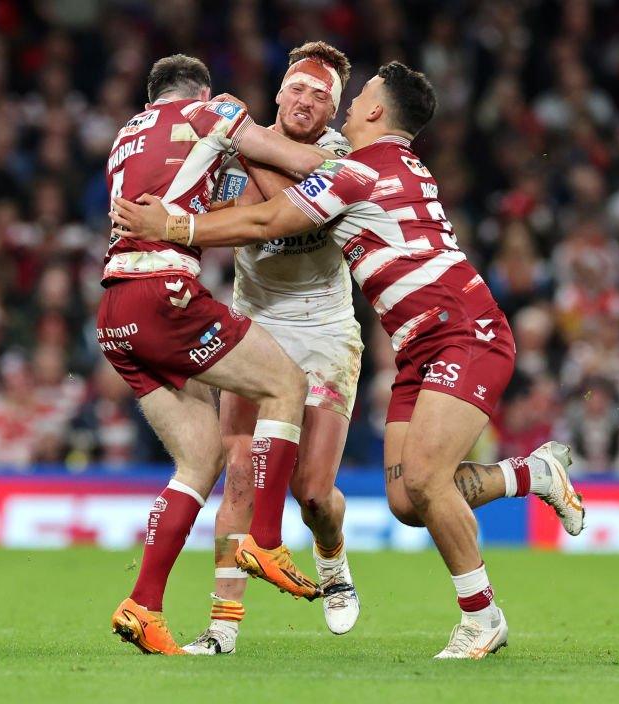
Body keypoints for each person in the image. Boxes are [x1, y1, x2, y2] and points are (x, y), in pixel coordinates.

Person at [111, 61, 586, 659]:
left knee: (354, 487)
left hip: (448, 332)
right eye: (299, 87)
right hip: (407, 341)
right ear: (280, 91)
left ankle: (481, 617)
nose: (326, 99)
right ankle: (533, 474)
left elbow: (266, 218)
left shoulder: (354, 166)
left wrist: (173, 226)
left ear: (366, 112)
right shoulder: (336, 159)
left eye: (349, 94)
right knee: (408, 503)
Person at [100, 54, 337, 656]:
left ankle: (143, 605)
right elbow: (303, 162)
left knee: (199, 459)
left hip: (115, 311)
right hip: (166, 293)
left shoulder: (124, 138)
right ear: (199, 90)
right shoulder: (211, 112)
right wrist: (348, 168)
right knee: (284, 384)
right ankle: (264, 538)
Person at [183, 42, 361, 656]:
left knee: (313, 492)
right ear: (280, 92)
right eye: (300, 88)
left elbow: (293, 216)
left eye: (323, 96)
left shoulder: (339, 156)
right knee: (238, 478)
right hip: (255, 322)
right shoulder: (233, 143)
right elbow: (220, 213)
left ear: (334, 114)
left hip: (325, 328)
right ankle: (223, 627)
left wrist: (243, 140)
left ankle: (332, 558)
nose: (308, 100)